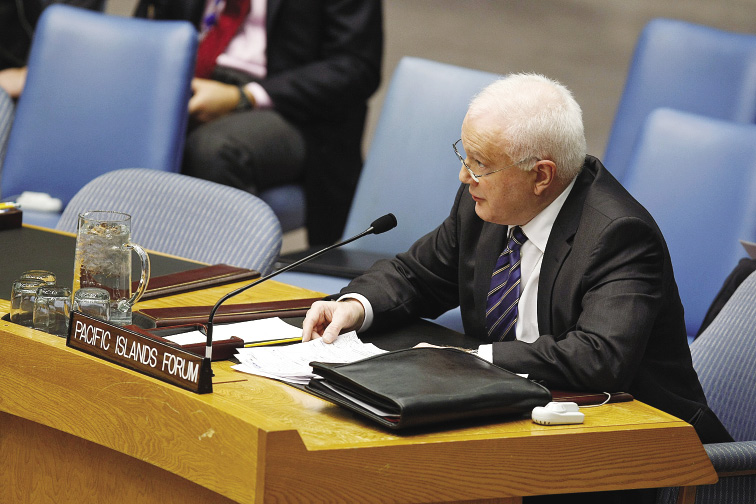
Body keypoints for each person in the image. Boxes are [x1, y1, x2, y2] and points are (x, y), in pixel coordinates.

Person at [302, 74, 731, 444]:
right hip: (519, 420)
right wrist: (353, 307)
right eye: (464, 156)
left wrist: (476, 359)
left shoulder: (619, 235)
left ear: (541, 175)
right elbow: (417, 275)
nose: (464, 176)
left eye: (480, 164)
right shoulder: (485, 205)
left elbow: (598, 358)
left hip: (643, 445)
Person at [136, 0, 383, 246]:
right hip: (194, 75)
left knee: (214, 148)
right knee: (124, 121)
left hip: (292, 104)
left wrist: (244, 97)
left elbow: (356, 66)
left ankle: (227, 277)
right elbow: (146, 29)